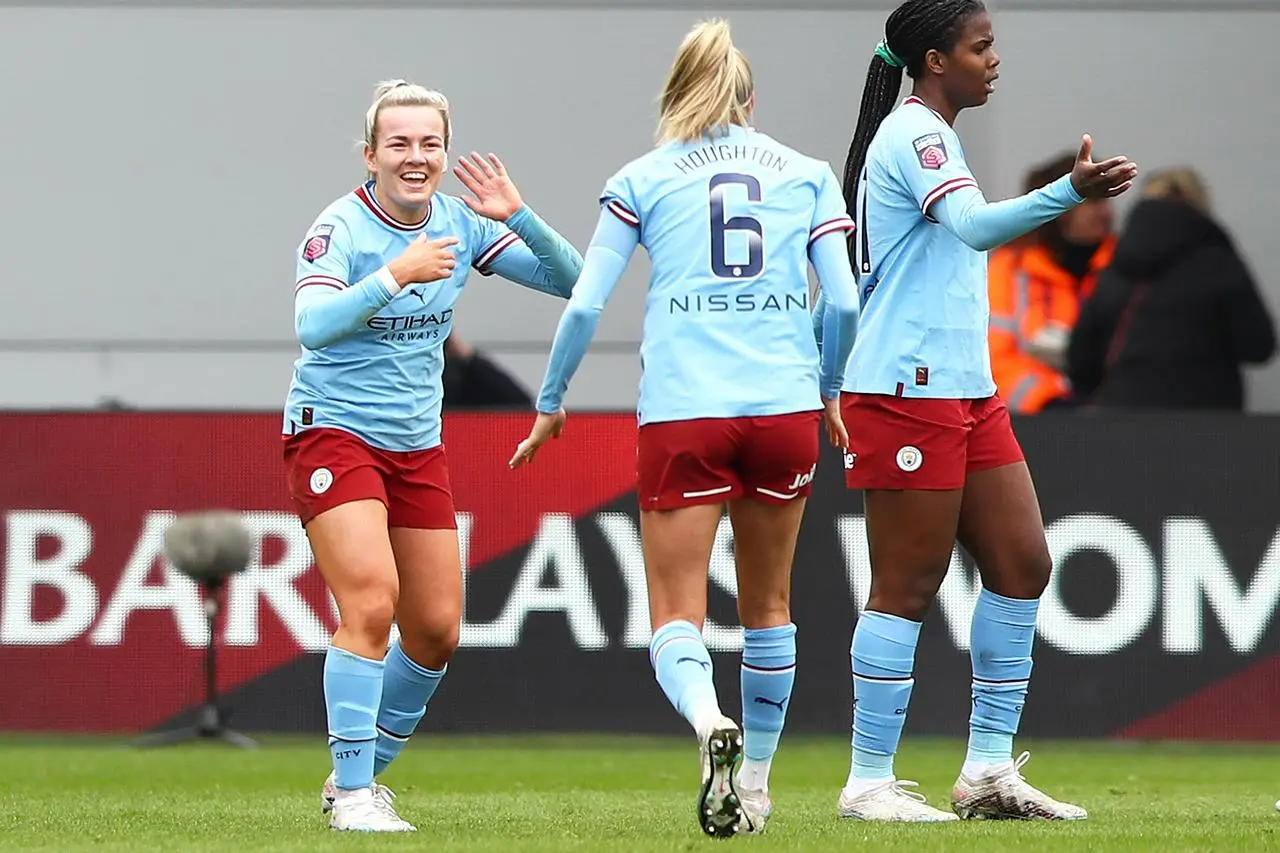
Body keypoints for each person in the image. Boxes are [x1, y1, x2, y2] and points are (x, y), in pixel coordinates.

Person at [509, 19, 860, 838]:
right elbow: (842, 301)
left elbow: (587, 300)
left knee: (676, 608)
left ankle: (709, 723)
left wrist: (551, 397)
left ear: (674, 95)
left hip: (685, 411)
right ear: (751, 99)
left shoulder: (643, 177)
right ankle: (761, 786)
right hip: (783, 408)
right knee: (771, 602)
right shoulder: (806, 175)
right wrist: (829, 388)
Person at [828, 0, 1135, 822]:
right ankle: (867, 782)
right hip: (903, 390)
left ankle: (989, 771)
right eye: (981, 45)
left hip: (966, 392)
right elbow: (970, 225)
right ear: (935, 59)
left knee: (1023, 561)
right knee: (907, 583)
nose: (995, 58)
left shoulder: (937, 133)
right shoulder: (916, 133)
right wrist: (1064, 193)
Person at [281, 79, 582, 832]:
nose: (415, 158)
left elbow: (574, 281)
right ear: (370, 155)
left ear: (444, 153)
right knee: (372, 602)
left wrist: (522, 218)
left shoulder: (460, 222)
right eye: (399, 144)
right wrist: (393, 276)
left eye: (429, 144)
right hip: (334, 430)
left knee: (439, 629)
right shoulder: (340, 228)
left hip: (417, 446)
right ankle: (354, 798)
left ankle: (355, 777)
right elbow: (312, 324)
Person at [1067, 166, 1276, 410]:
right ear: (1199, 207)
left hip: (1123, 420)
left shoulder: (1116, 267)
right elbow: (1260, 346)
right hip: (1208, 423)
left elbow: (1081, 363)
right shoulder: (1218, 265)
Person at [987, 152, 1118, 413]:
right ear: (1061, 206)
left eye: (1106, 199)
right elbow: (994, 360)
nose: (1104, 212)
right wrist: (1050, 401)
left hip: (1116, 420)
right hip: (1034, 424)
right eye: (1091, 201)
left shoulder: (1124, 265)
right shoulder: (1009, 270)